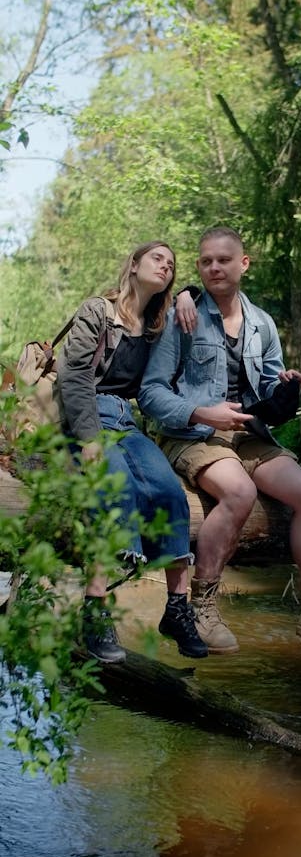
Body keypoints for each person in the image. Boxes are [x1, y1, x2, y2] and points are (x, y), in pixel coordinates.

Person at [138, 226, 301, 654]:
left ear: (243, 264)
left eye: (223, 259)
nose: (214, 267)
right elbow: (150, 393)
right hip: (192, 433)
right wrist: (201, 411)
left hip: (249, 435)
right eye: (205, 261)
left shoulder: (263, 324)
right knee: (238, 492)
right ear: (198, 267)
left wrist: (289, 390)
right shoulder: (182, 317)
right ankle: (201, 606)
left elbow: (272, 403)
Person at [57, 240, 208, 663]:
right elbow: (73, 379)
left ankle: (178, 608)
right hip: (84, 415)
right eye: (157, 258)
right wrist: (87, 439)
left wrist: (184, 294)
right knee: (116, 486)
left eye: (171, 265)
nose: (165, 265)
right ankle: (95, 607)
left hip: (126, 422)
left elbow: (199, 296)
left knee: (168, 492)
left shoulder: (157, 326)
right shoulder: (97, 311)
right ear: (135, 264)